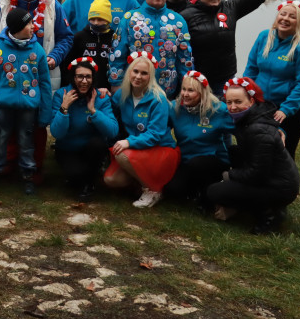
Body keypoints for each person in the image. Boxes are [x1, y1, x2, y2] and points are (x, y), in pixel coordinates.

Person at [182, 0, 300, 95]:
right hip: (197, 80)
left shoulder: (229, 8)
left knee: (226, 113)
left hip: (225, 79)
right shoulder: (186, 16)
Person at [206, 77, 300, 234]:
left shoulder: (258, 130)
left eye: (238, 101)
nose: (233, 107)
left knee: (214, 192)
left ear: (251, 101)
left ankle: (270, 215)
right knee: (234, 151)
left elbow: (258, 175)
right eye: (229, 103)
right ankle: (264, 205)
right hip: (271, 177)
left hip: (279, 186)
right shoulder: (250, 117)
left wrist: (230, 174)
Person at [0, 7, 53, 193]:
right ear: (17, 27)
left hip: (29, 108)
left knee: (26, 141)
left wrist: (45, 112)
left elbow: (44, 83)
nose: (33, 26)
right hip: (4, 107)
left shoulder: (37, 50)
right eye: (28, 24)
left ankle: (28, 175)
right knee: (1, 139)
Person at [104, 51, 180, 208]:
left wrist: (128, 141)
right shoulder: (122, 95)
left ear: (151, 76)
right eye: (135, 71)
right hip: (138, 148)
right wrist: (100, 94)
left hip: (159, 148)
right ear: (129, 72)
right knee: (111, 180)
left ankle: (153, 190)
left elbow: (155, 135)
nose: (138, 76)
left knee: (122, 155)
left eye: (144, 73)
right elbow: (108, 109)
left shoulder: (158, 99)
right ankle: (141, 183)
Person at [244, 1, 300, 158]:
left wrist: (286, 109)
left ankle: (286, 181)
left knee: (285, 150)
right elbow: (251, 69)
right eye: (282, 14)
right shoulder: (264, 37)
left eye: (292, 16)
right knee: (260, 145)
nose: (285, 19)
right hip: (263, 104)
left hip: (290, 108)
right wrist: (247, 94)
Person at [109, 0, 194, 99]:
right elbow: (117, 53)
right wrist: (115, 83)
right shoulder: (129, 19)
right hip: (134, 90)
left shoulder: (178, 21)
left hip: (167, 91)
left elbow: (185, 58)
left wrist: (189, 86)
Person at [50, 57, 118, 201]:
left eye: (88, 77)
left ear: (93, 78)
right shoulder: (61, 95)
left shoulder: (100, 97)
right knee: (74, 175)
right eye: (80, 76)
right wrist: (64, 108)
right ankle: (78, 178)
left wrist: (94, 111)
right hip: (67, 149)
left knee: (97, 144)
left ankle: (89, 183)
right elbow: (57, 133)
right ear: (73, 77)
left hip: (91, 149)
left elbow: (113, 131)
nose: (84, 81)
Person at [163, 71, 232, 211]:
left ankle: (214, 188)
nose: (185, 94)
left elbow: (241, 129)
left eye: (191, 91)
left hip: (214, 160)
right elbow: (160, 128)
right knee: (172, 191)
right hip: (186, 160)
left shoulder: (218, 109)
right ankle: (195, 191)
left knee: (198, 165)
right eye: (183, 89)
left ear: (202, 93)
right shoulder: (175, 108)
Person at [63, 0, 115, 92]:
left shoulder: (114, 38)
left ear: (108, 20)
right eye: (93, 19)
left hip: (107, 91)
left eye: (100, 19)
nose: (96, 23)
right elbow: (67, 66)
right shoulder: (79, 37)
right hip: (82, 89)